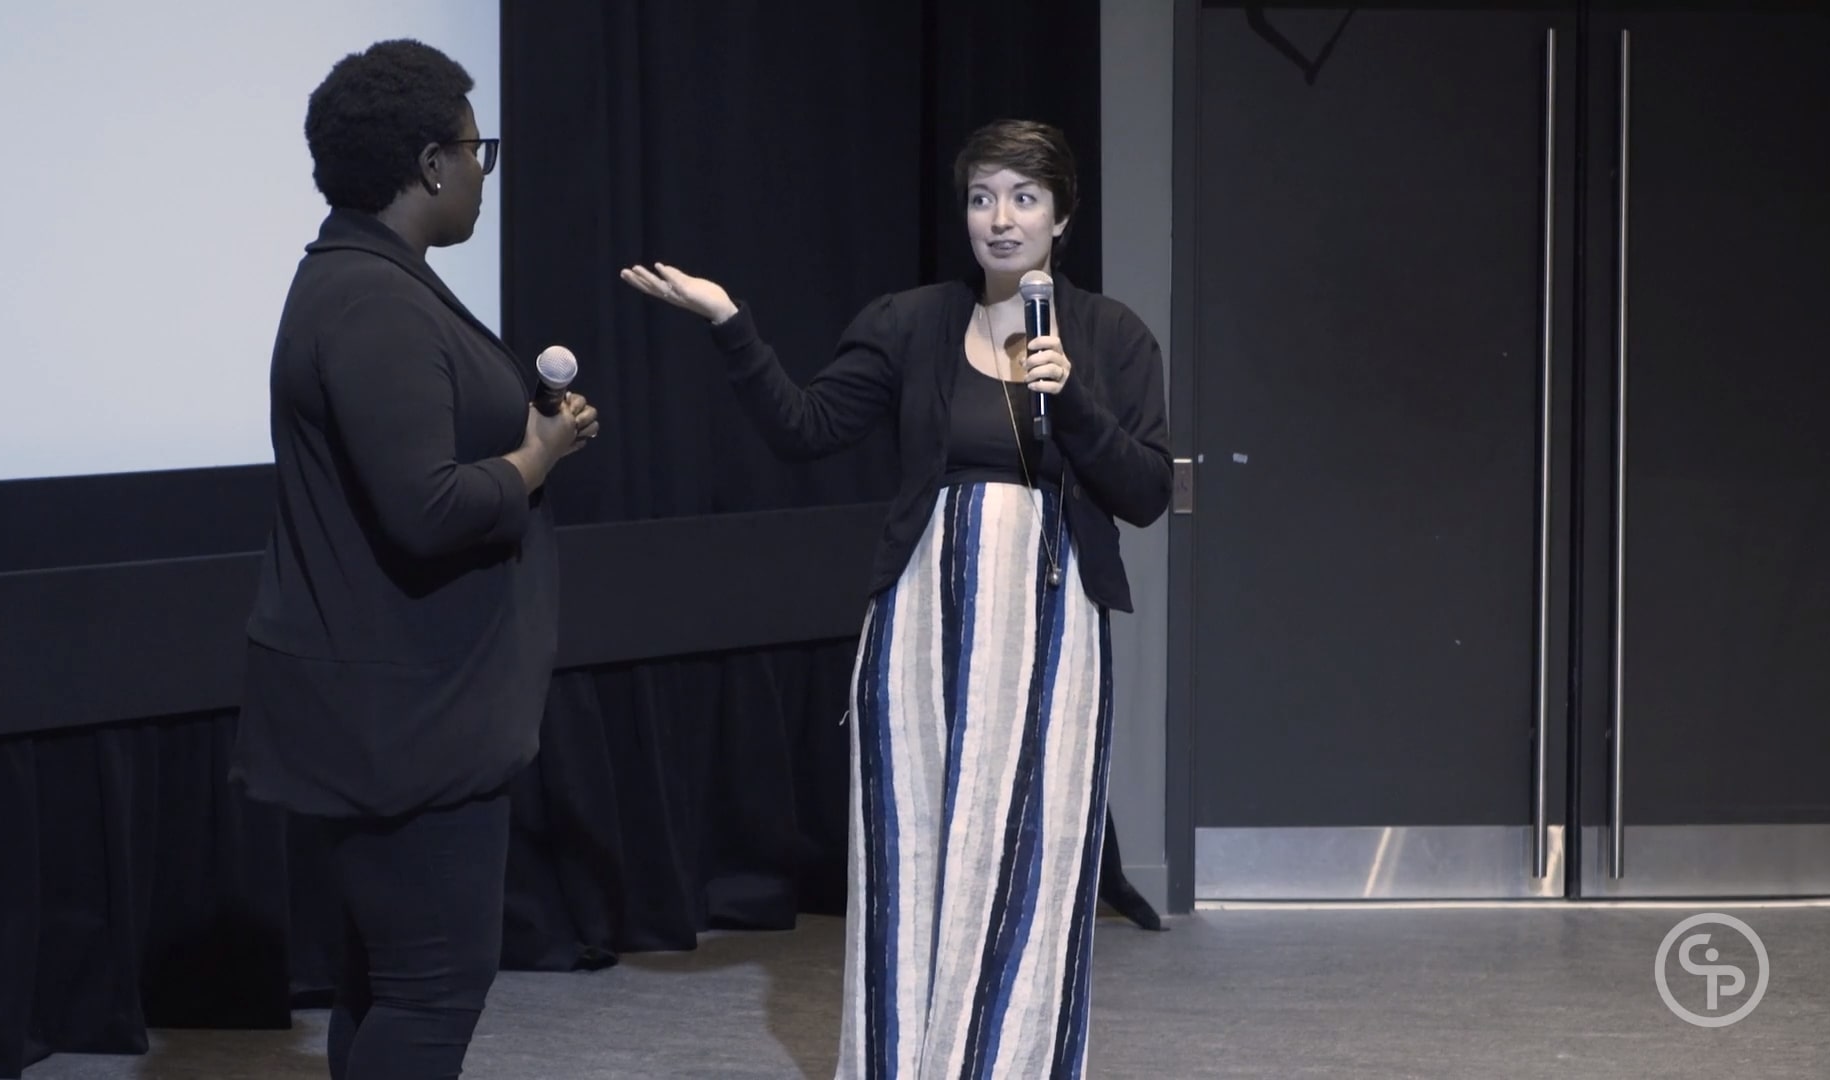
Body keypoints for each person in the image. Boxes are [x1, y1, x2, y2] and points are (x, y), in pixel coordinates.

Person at [622, 119, 1169, 1079]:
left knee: (1027, 865)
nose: (1001, 219)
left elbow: (1146, 492)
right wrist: (729, 323)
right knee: (910, 862)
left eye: (1025, 198)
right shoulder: (909, 320)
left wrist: (1072, 397)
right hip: (919, 630)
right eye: (981, 197)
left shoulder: (1110, 336)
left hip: (1049, 636)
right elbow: (805, 426)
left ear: (1063, 216)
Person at [229, 39, 598, 1080]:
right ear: (433, 164)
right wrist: (537, 455)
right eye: (478, 150)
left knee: (391, 987)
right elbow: (425, 508)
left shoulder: (373, 282)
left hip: (403, 709)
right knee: (431, 998)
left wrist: (527, 437)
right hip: (407, 723)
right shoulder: (373, 299)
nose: (485, 169)